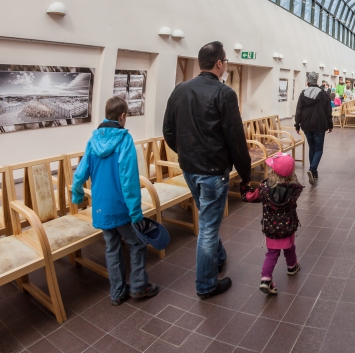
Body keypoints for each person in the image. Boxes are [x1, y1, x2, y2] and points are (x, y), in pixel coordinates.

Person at [163, 41, 251, 299]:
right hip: (213, 172)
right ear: (220, 63)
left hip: (189, 169)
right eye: (226, 61)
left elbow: (168, 131)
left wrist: (186, 155)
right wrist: (245, 175)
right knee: (209, 228)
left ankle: (218, 255)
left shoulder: (180, 90)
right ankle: (206, 285)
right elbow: (236, 139)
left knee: (207, 217)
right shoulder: (225, 94)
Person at [72, 96, 159, 306]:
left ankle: (118, 292)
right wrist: (136, 212)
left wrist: (77, 195)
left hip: (101, 207)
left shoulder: (93, 142)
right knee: (137, 243)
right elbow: (129, 181)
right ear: (122, 116)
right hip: (121, 207)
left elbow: (79, 174)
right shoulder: (124, 140)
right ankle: (139, 286)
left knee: (112, 247)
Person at [243, 154, 303, 295]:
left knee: (272, 254)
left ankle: (266, 279)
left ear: (273, 171)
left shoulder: (264, 188)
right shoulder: (295, 189)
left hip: (272, 227)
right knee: (289, 247)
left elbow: (252, 197)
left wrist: (245, 191)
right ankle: (292, 266)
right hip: (288, 226)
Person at [295, 71, 333, 185]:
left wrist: (297, 125)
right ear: (316, 81)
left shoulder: (303, 93)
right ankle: (312, 169)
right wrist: (330, 124)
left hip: (306, 125)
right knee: (319, 149)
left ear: (308, 82)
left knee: (312, 148)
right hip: (320, 125)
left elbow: (299, 111)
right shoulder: (323, 94)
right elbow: (328, 111)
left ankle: (314, 172)